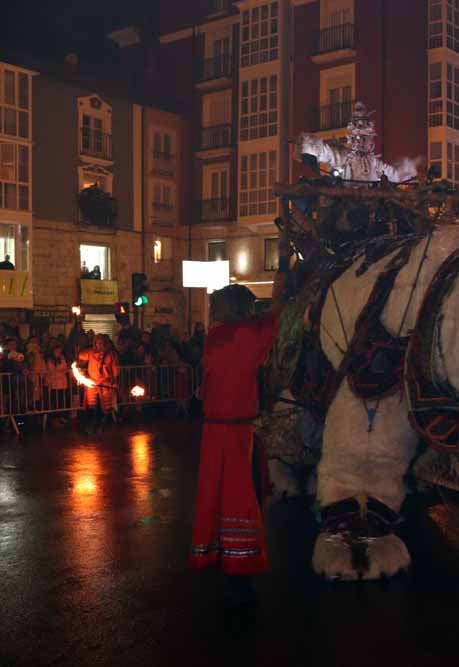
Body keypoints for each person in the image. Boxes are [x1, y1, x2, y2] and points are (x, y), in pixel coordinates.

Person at [189, 226, 290, 615]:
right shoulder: (244, 336)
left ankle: (216, 558)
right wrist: (283, 269)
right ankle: (239, 570)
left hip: (215, 433)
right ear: (240, 312)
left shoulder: (214, 337)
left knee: (215, 498)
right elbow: (277, 314)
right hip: (236, 434)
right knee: (241, 502)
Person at [77, 334, 119, 433]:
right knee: (92, 407)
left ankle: (102, 426)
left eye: (101, 343)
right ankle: (93, 426)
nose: (99, 345)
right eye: (97, 343)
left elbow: (115, 370)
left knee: (105, 408)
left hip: (105, 385)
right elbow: (80, 356)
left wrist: (114, 381)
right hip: (93, 384)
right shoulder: (90, 352)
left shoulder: (111, 355)